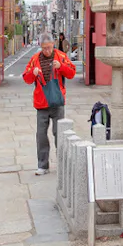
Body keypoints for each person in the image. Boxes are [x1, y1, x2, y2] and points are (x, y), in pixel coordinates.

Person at [22, 32, 76, 176]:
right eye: (44, 48)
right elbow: (26, 78)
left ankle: (63, 164)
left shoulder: (61, 56)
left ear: (53, 45)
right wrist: (32, 73)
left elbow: (71, 73)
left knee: (60, 134)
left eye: (49, 47)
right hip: (41, 103)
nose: (47, 51)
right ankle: (43, 165)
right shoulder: (35, 59)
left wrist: (61, 67)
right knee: (41, 135)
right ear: (40, 46)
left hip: (57, 102)